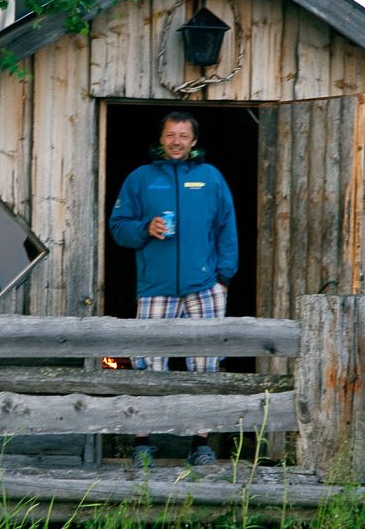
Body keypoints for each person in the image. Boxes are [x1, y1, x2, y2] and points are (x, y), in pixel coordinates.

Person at [109, 111, 238, 468]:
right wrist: (143, 228)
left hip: (204, 287)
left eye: (183, 136)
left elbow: (227, 229)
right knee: (149, 363)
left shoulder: (211, 178)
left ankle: (200, 443)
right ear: (161, 138)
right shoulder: (141, 179)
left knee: (205, 364)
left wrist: (223, 278)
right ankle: (143, 442)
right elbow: (118, 227)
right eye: (171, 135)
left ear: (194, 141)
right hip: (155, 287)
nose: (177, 141)